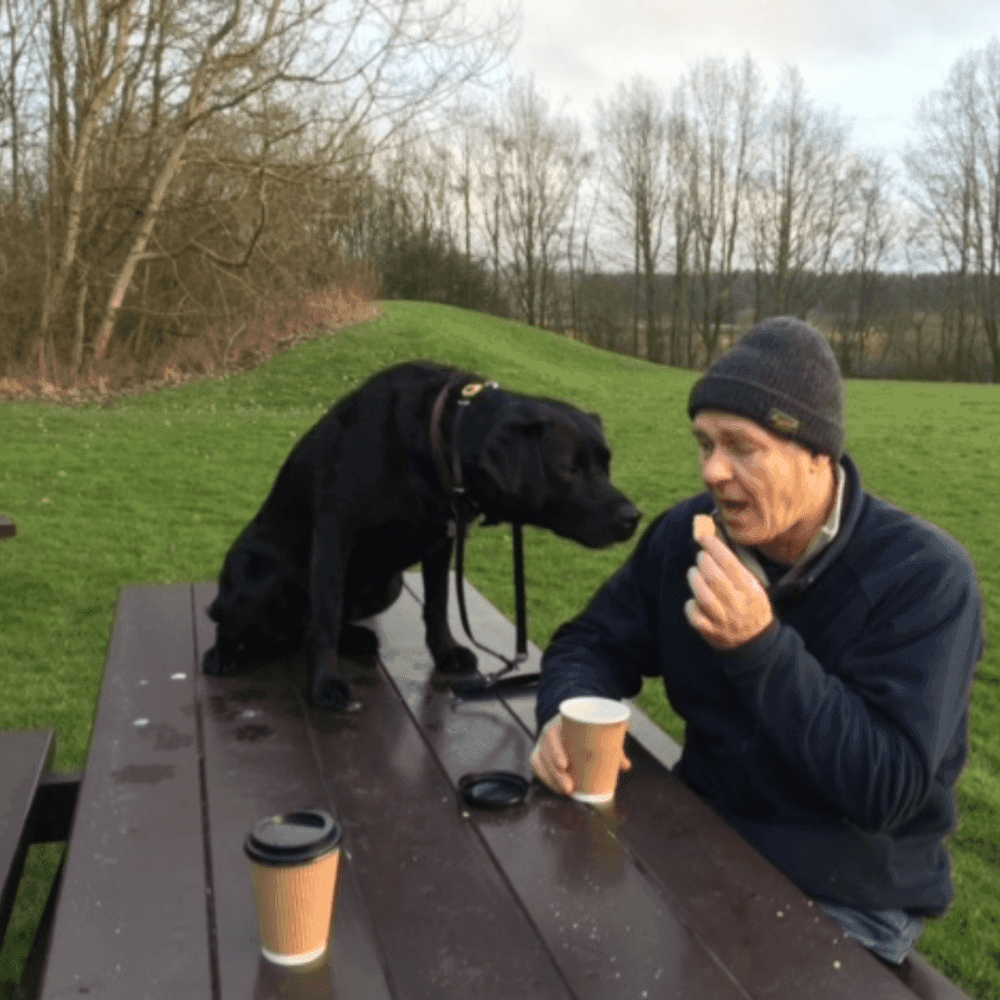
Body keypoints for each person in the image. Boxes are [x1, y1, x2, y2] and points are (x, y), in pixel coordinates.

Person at [531, 316, 985, 972]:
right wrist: (563, 716)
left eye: (741, 446)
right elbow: (591, 641)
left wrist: (760, 646)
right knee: (548, 945)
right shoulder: (688, 535)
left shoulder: (923, 578)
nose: (713, 471)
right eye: (704, 443)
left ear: (817, 456)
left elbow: (884, 790)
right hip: (702, 834)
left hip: (845, 895)